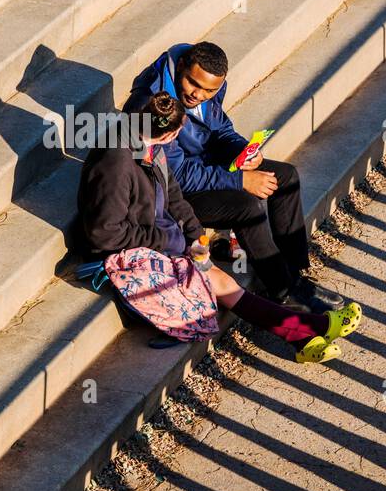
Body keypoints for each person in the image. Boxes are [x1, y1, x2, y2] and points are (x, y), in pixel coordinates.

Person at [76, 92, 361, 363]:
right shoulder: (114, 164)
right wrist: (169, 239)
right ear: (168, 134)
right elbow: (105, 234)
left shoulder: (151, 144)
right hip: (124, 253)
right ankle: (310, 329)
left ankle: (304, 336)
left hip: (157, 238)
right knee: (220, 281)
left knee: (220, 280)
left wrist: (192, 232)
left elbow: (174, 196)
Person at [123, 40, 342, 316]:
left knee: (285, 176)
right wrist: (240, 180)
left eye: (208, 90)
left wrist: (241, 150)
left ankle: (292, 272)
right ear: (181, 67)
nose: (198, 95)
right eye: (193, 83)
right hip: (169, 193)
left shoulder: (210, 85)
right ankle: (283, 291)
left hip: (202, 165)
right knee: (246, 206)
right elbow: (175, 176)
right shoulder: (153, 103)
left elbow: (219, 127)